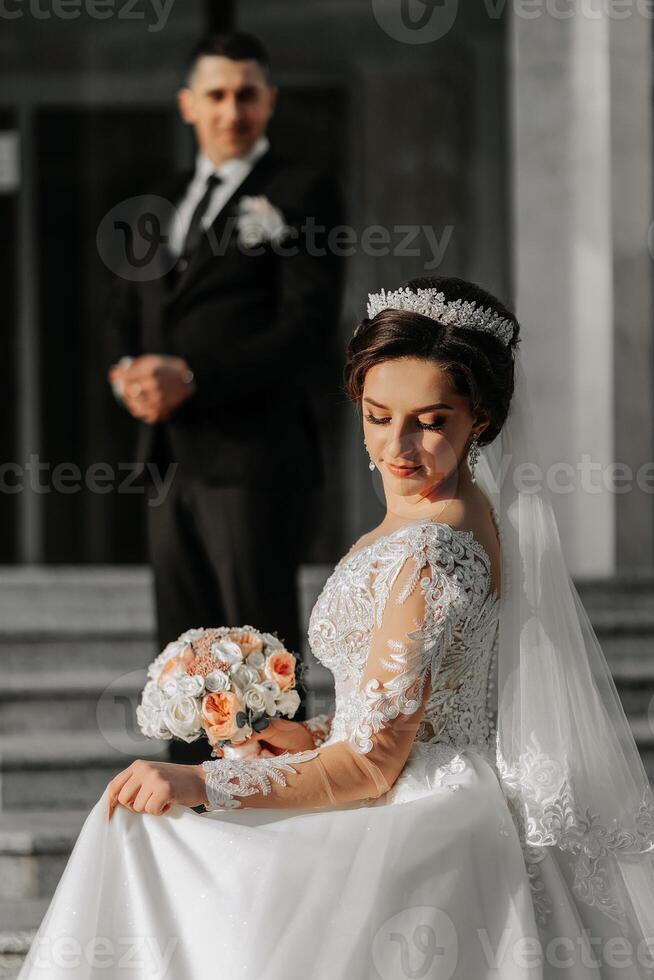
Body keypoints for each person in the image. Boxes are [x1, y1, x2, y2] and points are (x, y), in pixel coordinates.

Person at [21, 277, 654, 979]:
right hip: (426, 777)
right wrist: (302, 734)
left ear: (483, 419)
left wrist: (202, 779)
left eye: (432, 420)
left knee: (142, 834)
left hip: (419, 814)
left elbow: (375, 762)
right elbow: (418, 708)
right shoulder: (452, 517)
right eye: (379, 415)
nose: (398, 446)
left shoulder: (429, 550)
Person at [105, 32, 344, 761]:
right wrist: (126, 372)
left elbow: (305, 330)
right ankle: (191, 811)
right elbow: (132, 308)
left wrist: (195, 374)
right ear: (188, 104)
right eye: (216, 94)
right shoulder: (165, 196)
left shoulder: (303, 191)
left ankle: (275, 811)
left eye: (247, 93)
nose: (231, 109)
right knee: (183, 657)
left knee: (257, 649)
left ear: (269, 100)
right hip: (169, 457)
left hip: (254, 458)